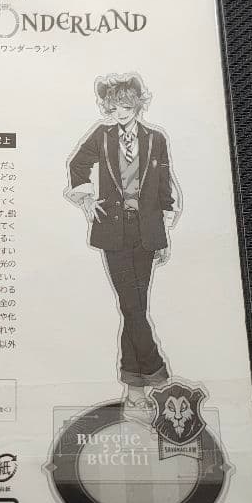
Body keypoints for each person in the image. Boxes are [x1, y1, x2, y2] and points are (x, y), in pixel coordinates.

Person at [65, 73, 181, 413]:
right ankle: (159, 377)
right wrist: (88, 199)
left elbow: (164, 186)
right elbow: (77, 164)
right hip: (113, 232)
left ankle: (134, 390)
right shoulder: (102, 136)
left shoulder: (155, 139)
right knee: (132, 306)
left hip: (147, 232)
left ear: (138, 105)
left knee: (135, 308)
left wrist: (164, 234)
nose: (120, 113)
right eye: (114, 107)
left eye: (126, 107)